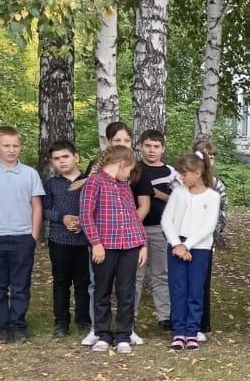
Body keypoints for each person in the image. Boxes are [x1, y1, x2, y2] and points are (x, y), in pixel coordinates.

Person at [80, 146, 147, 354]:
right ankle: (102, 333)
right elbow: (85, 215)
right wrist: (96, 243)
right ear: (121, 164)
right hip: (105, 248)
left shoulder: (124, 187)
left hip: (129, 246)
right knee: (102, 290)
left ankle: (123, 335)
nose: (129, 174)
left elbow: (133, 217)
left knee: (126, 292)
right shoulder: (94, 182)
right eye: (129, 170)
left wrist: (143, 243)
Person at [0, 125, 44, 343]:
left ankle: (18, 324)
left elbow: (36, 205)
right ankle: (1, 326)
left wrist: (33, 236)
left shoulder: (30, 174)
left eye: (15, 146)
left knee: (20, 285)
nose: (11, 150)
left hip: (22, 238)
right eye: (6, 145)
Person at [160, 153, 221, 351]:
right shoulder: (179, 193)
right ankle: (179, 331)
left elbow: (208, 226)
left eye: (184, 173)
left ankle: (192, 331)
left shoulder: (212, 197)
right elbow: (166, 220)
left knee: (195, 289)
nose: (181, 177)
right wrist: (177, 244)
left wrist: (188, 245)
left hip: (200, 247)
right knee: (178, 289)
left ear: (197, 173)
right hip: (176, 244)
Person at [43, 140, 91, 339]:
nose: (61, 162)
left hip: (85, 240)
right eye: (56, 159)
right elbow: (44, 209)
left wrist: (84, 222)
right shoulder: (52, 184)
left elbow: (98, 207)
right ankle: (61, 322)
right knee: (61, 282)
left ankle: (84, 319)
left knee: (84, 282)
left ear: (76, 157)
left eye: (65, 157)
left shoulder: (89, 181)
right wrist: (61, 218)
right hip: (59, 239)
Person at [132, 129, 177, 334]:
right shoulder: (133, 170)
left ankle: (165, 316)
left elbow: (178, 200)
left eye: (156, 146)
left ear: (163, 148)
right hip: (135, 228)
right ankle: (129, 316)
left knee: (162, 274)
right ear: (141, 146)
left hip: (160, 229)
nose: (152, 150)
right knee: (135, 275)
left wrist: (156, 193)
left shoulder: (171, 172)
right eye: (148, 146)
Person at [191, 140, 227, 341]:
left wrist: (209, 234)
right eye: (203, 155)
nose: (207, 159)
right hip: (183, 241)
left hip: (205, 242)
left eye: (211, 156)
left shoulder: (217, 185)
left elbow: (222, 214)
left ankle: (202, 323)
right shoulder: (184, 182)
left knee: (201, 282)